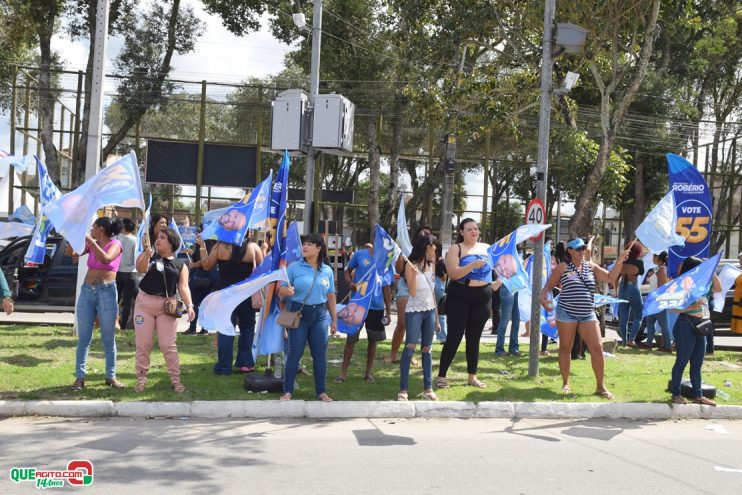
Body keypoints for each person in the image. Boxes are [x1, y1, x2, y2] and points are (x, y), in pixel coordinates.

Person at [540, 237, 628, 399]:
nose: (582, 251)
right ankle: (565, 382)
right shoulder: (562, 267)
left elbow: (610, 278)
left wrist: (620, 261)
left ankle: (600, 386)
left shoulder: (591, 266)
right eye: (578, 249)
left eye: (583, 249)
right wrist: (546, 304)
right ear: (570, 251)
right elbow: (548, 288)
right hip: (566, 312)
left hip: (587, 312)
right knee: (566, 348)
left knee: (597, 348)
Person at [436, 219, 499, 389]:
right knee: (454, 337)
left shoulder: (487, 248)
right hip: (460, 296)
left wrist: (501, 281)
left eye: (476, 229)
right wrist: (472, 265)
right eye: (469, 229)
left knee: (474, 338)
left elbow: (498, 270)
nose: (474, 232)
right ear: (461, 232)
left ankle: (472, 376)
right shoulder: (456, 249)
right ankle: (442, 375)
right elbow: (453, 274)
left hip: (483, 297)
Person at [134, 228, 195, 393]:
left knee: (167, 345)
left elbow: (183, 287)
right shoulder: (151, 257)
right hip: (144, 305)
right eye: (157, 237)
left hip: (166, 308)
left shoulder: (180, 265)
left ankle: (175, 379)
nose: (158, 240)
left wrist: (190, 306)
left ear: (172, 243)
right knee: (143, 343)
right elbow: (140, 268)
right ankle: (141, 379)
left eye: (163, 237)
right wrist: (146, 253)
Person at [278, 233, 338, 401]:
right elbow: (281, 290)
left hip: (319, 316)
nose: (305, 246)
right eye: (304, 244)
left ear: (318, 248)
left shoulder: (326, 270)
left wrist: (334, 319)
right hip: (299, 315)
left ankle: (321, 391)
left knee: (320, 356)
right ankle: (288, 391)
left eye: (309, 244)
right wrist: (286, 291)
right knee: (294, 354)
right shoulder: (294, 267)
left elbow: (331, 295)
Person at [70, 217, 124, 391]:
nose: (91, 230)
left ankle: (111, 376)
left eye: (93, 227)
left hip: (106, 291)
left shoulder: (115, 244)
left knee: (108, 338)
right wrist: (73, 236)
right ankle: (79, 378)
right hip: (87, 291)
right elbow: (71, 253)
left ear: (100, 229)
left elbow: (106, 259)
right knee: (84, 338)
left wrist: (90, 241)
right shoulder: (91, 244)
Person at [198, 234, 263, 374]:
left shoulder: (220, 246)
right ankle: (245, 363)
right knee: (247, 327)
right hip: (245, 293)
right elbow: (263, 270)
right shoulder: (253, 248)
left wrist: (202, 246)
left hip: (225, 294)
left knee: (224, 328)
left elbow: (207, 266)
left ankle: (224, 366)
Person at [335, 242, 391, 383]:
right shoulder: (360, 255)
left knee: (373, 340)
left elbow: (386, 286)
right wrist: (349, 284)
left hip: (376, 307)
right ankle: (343, 373)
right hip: (358, 303)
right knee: (351, 339)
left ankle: (368, 373)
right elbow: (347, 271)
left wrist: (389, 312)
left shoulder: (385, 259)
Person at [669, 256, 722, 406]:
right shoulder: (682, 285)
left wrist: (711, 270)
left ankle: (698, 395)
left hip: (701, 324)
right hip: (685, 324)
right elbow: (672, 308)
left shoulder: (704, 284)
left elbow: (718, 288)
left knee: (697, 363)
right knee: (682, 361)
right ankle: (676, 394)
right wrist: (690, 307)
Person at [398, 234, 440, 401]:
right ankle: (403, 389)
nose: (435, 248)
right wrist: (414, 275)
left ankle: (428, 388)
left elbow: (432, 293)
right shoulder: (410, 266)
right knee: (410, 347)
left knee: (427, 349)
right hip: (415, 310)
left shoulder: (432, 265)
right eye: (432, 246)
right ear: (425, 247)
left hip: (430, 310)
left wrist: (436, 317)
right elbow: (413, 292)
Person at [384, 225, 432, 364]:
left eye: (428, 234)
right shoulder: (406, 251)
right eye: (423, 233)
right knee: (402, 324)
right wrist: (401, 257)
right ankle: (393, 355)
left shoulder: (430, 253)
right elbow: (399, 271)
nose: (426, 236)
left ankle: (408, 355)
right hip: (406, 289)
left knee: (415, 326)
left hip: (422, 292)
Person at [184, 224, 215, 335]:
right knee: (202, 303)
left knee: (196, 303)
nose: (198, 233)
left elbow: (205, 261)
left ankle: (194, 328)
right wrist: (192, 252)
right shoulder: (205, 244)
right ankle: (203, 328)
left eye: (200, 231)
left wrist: (193, 265)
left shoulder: (206, 244)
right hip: (204, 277)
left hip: (201, 278)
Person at [619, 241, 645, 346]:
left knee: (623, 317)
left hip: (622, 286)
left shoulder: (622, 261)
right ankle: (631, 340)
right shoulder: (639, 262)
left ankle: (624, 341)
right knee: (638, 315)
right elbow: (642, 272)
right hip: (633, 286)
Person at [644, 251, 672, 352]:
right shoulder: (660, 269)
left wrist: (657, 300)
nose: (652, 258)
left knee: (662, 323)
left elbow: (661, 286)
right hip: (653, 298)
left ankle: (667, 345)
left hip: (656, 299)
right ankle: (649, 343)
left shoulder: (662, 269)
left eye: (654, 256)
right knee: (650, 322)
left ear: (658, 258)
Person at [115, 218, 139, 330]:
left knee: (116, 298)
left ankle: (113, 322)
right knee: (128, 301)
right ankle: (123, 325)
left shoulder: (117, 238)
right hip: (131, 273)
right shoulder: (135, 240)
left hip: (118, 272)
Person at [434, 258, 448, 343]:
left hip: (436, 286)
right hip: (439, 289)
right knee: (440, 314)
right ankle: (442, 336)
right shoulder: (441, 279)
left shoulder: (434, 277)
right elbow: (445, 277)